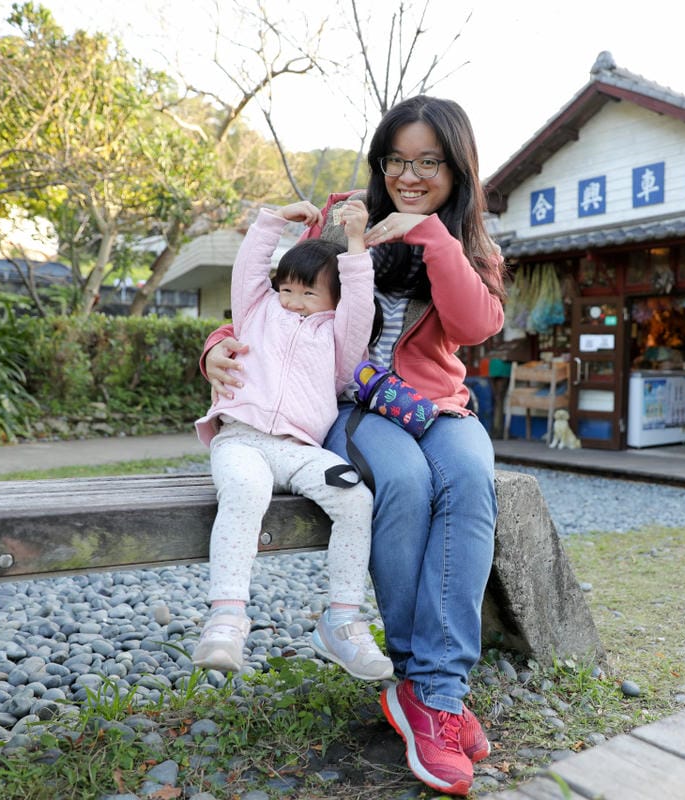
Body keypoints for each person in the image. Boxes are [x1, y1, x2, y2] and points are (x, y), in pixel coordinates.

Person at [201, 95, 505, 796]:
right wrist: (216, 347)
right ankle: (430, 687)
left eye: (429, 161)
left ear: (457, 168)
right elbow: (275, 302)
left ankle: (433, 689)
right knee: (398, 482)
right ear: (379, 162)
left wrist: (429, 234)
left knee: (470, 481)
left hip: (436, 406)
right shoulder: (346, 222)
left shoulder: (465, 244)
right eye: (396, 159)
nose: (409, 173)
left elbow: (474, 323)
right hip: (349, 403)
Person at [192, 199, 393, 683]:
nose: (293, 300)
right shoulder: (258, 311)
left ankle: (343, 619)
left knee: (355, 500)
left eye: (308, 293)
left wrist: (357, 241)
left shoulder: (342, 339)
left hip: (301, 450)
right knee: (245, 491)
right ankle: (227, 616)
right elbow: (249, 270)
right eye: (286, 289)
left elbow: (360, 300)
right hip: (241, 439)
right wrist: (273, 220)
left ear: (333, 300)